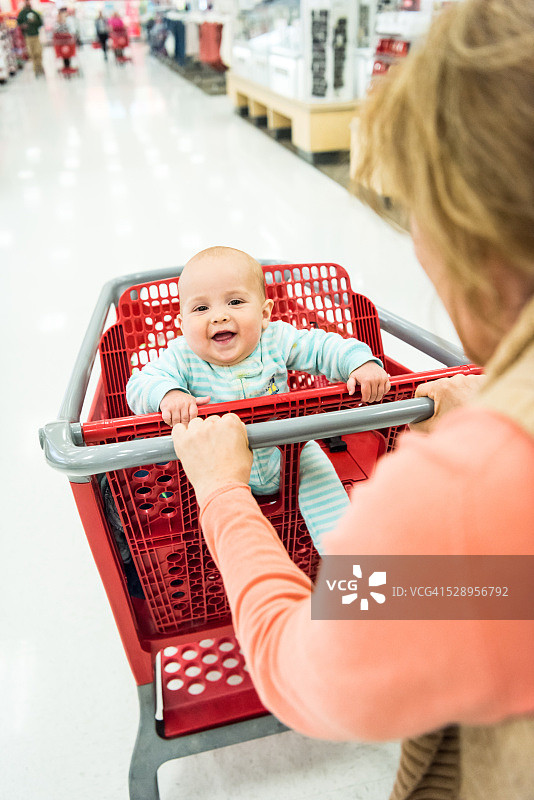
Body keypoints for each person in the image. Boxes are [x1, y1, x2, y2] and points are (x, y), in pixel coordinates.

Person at [171, 1, 534, 798]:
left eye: (414, 211)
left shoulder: (466, 496)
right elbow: (510, 595)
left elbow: (309, 676)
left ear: (468, 221)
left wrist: (223, 493)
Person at [126, 245, 390, 553]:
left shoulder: (276, 339)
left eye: (235, 302)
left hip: (291, 454)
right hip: (216, 466)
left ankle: (349, 559)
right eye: (201, 309)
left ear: (264, 314)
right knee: (215, 523)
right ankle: (238, 562)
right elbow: (139, 384)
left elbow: (321, 347)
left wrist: (359, 363)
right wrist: (168, 394)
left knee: (330, 502)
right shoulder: (182, 356)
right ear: (182, 324)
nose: (219, 316)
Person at [17, 0, 43, 76]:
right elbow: (18, 23)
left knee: (38, 52)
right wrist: (22, 26)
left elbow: (40, 23)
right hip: (28, 36)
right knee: (31, 53)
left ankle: (40, 66)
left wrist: (35, 25)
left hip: (35, 35)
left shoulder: (35, 13)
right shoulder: (22, 14)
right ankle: (35, 68)